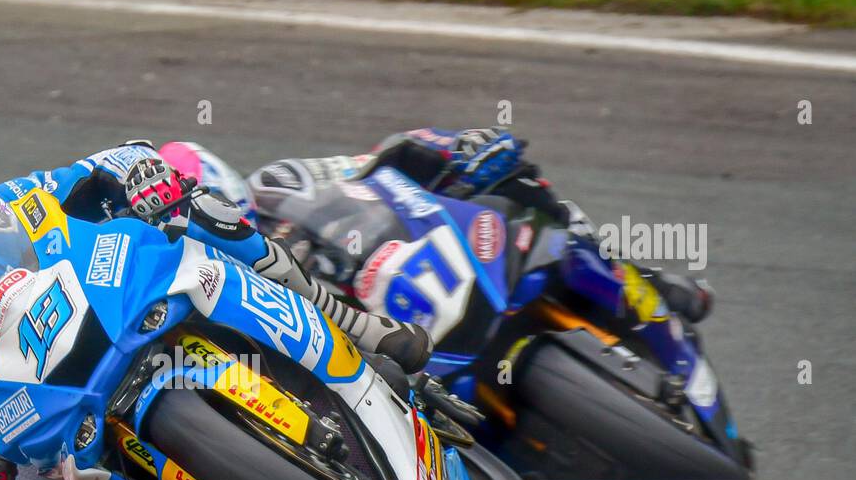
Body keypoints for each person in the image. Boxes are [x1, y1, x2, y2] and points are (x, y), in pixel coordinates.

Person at [0, 143, 432, 480]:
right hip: (25, 436)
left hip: (113, 316)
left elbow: (118, 160)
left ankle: (348, 323)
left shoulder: (5, 206)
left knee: (203, 216)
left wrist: (147, 181)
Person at [246, 127, 713, 326]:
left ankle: (636, 276)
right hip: (377, 345)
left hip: (424, 252)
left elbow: (382, 156)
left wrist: (460, 145)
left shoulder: (277, 184)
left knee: (512, 180)